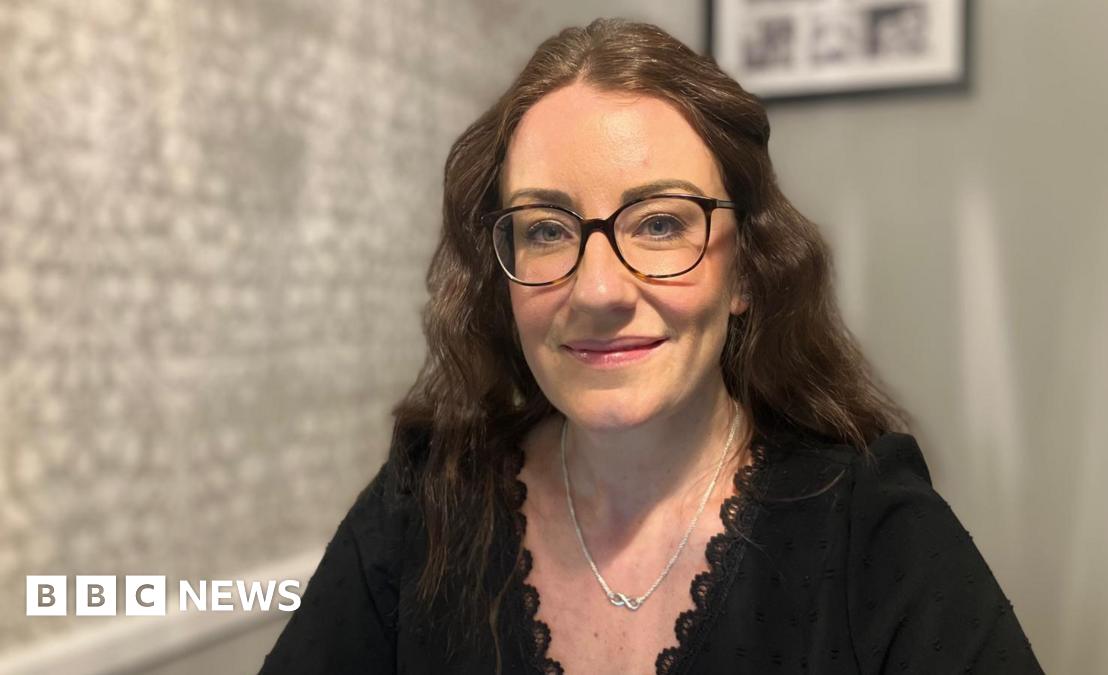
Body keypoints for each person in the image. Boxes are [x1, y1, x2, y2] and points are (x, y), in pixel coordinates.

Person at [259, 18, 1043, 675]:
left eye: (661, 223)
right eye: (545, 230)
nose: (599, 291)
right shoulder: (424, 503)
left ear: (743, 269)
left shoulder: (872, 530)